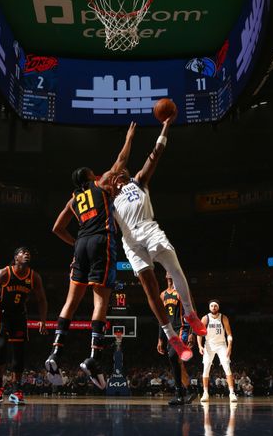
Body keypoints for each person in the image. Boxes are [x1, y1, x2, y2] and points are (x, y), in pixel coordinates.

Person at [46, 123, 137, 389]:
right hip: (101, 241)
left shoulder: (73, 200)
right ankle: (93, 358)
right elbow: (121, 160)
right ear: (90, 177)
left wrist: (76, 243)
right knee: (100, 302)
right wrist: (129, 137)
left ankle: (55, 353)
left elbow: (56, 228)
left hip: (82, 243)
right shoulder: (101, 185)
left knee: (70, 302)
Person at [109, 115, 207, 363]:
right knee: (151, 288)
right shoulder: (108, 199)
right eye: (115, 176)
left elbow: (157, 153)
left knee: (175, 269)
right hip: (130, 242)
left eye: (122, 174)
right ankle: (171, 334)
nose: (118, 176)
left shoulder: (138, 181)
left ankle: (190, 314)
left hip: (149, 229)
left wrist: (165, 126)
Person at [0, 246, 48, 405]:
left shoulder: (34, 276)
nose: (27, 254)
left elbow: (42, 299)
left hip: (19, 315)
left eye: (28, 252)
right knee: (1, 346)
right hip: (1, 312)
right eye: (23, 252)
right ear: (16, 258)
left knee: (19, 353)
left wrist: (43, 321)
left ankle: (16, 390)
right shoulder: (3, 273)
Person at [157, 272, 196, 406]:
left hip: (181, 329)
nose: (169, 271)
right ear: (165, 276)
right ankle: (189, 390)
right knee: (176, 362)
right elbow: (160, 318)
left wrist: (192, 333)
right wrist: (160, 338)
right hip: (168, 330)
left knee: (174, 357)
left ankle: (179, 394)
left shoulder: (182, 291)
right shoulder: (162, 295)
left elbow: (192, 312)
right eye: (167, 270)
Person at [197, 300, 237, 403]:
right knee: (206, 368)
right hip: (209, 345)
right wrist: (200, 346)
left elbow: (229, 334)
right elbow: (199, 334)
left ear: (218, 307)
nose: (213, 307)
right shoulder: (205, 318)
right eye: (212, 305)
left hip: (221, 345)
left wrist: (229, 347)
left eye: (215, 305)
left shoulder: (223, 317)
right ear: (209, 307)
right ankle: (205, 393)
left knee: (227, 367)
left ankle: (232, 393)